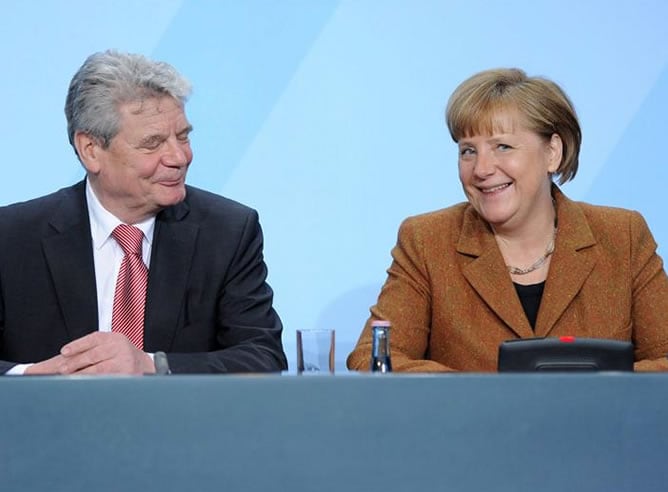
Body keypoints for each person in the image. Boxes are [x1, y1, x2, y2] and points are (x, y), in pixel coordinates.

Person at [347, 68, 668, 372]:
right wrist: (495, 399)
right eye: (468, 151)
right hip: (474, 429)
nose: (482, 169)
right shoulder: (427, 241)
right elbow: (372, 359)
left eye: (502, 146)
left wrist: (581, 391)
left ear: (552, 152)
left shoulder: (622, 236)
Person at [0, 50, 287, 375]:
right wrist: (30, 377)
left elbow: (263, 357)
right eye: (153, 143)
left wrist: (152, 365)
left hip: (177, 425)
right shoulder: (11, 238)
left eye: (183, 137)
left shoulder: (227, 232)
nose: (179, 157)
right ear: (91, 151)